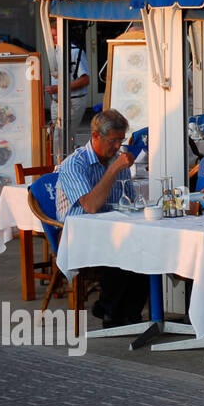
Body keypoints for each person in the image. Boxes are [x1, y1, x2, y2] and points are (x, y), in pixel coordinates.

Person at [55, 108, 148, 327]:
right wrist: (113, 170)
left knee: (147, 246)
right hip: (78, 235)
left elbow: (127, 201)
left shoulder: (116, 160)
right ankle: (110, 311)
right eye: (113, 140)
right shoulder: (75, 164)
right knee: (122, 247)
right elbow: (91, 206)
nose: (118, 146)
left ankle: (128, 312)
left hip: (112, 229)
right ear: (96, 136)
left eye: (121, 140)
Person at [45, 22, 89, 128]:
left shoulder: (74, 52)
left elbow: (85, 80)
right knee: (57, 136)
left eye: (55, 35)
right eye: (50, 36)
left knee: (60, 138)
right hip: (57, 102)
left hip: (72, 101)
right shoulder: (54, 51)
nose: (53, 39)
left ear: (63, 35)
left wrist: (58, 88)